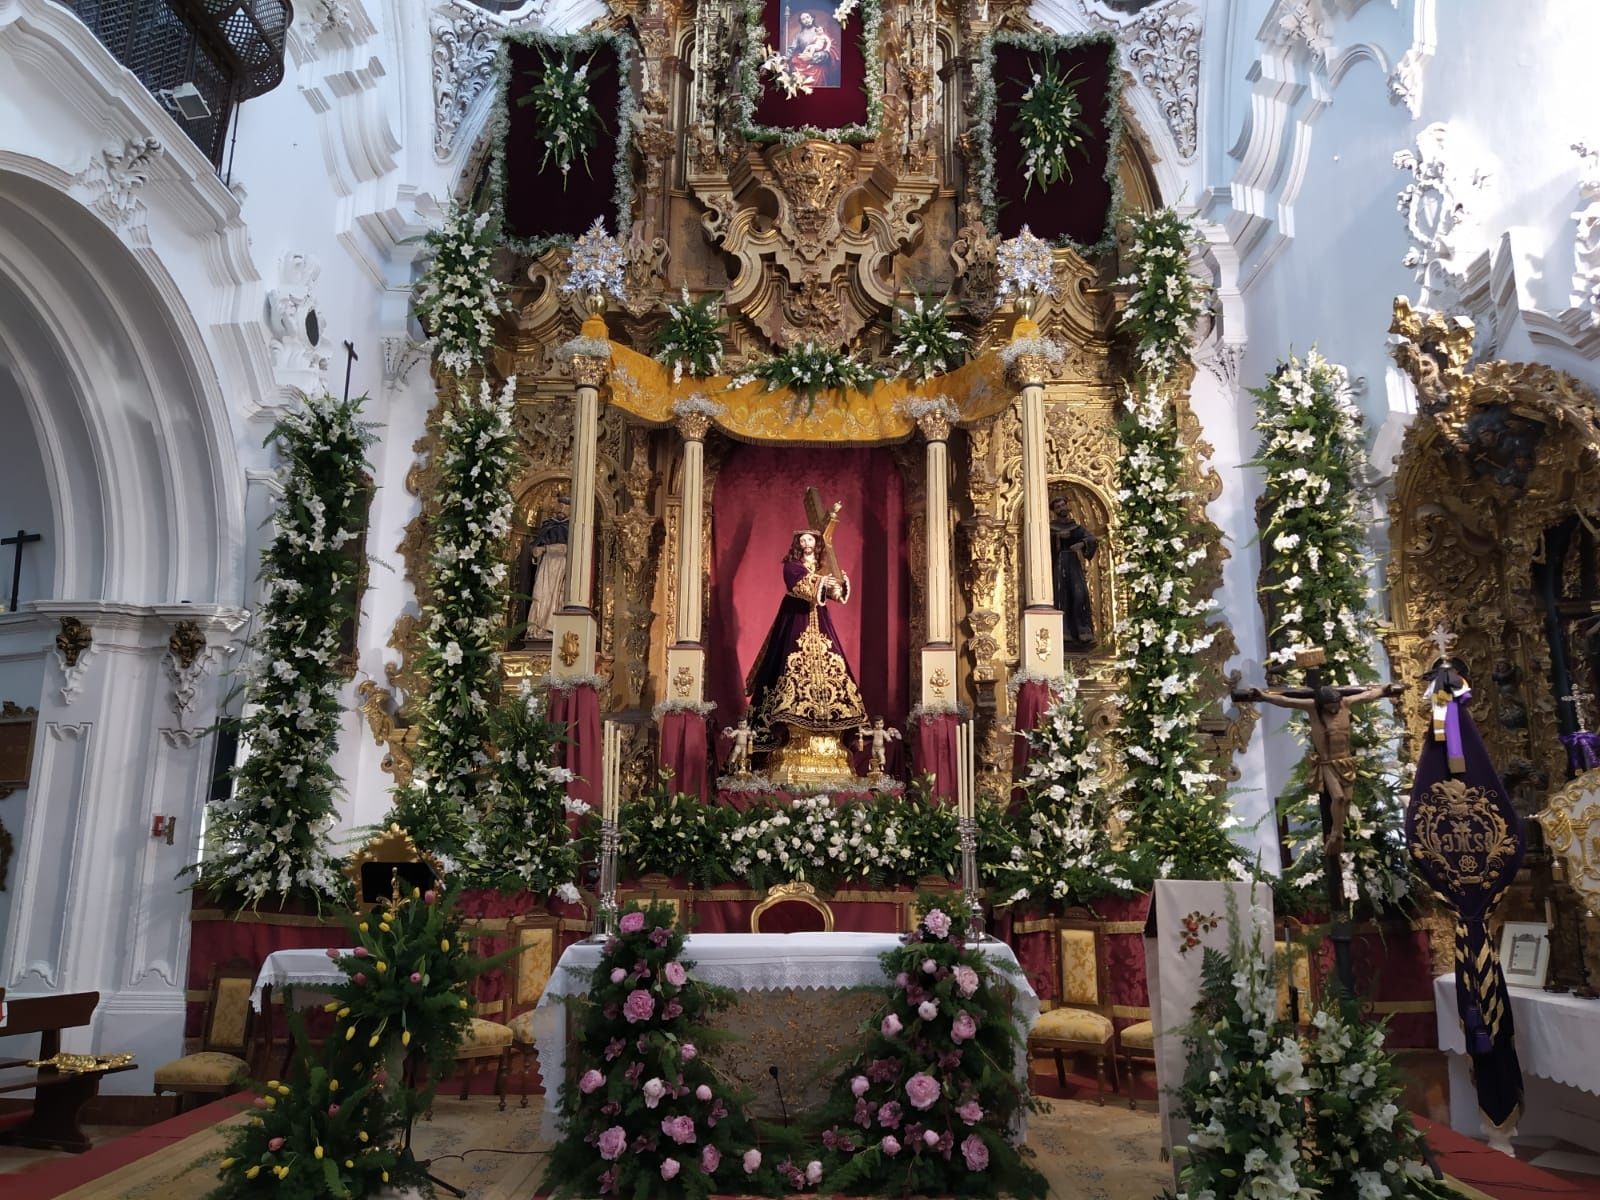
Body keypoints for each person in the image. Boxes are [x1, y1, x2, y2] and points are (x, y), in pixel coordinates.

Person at [744, 526, 867, 745]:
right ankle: (784, 726)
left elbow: (832, 593)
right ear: (797, 544)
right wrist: (821, 582)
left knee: (831, 661)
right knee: (788, 659)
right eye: (802, 540)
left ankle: (829, 725)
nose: (806, 544)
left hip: (819, 618)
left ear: (816, 543)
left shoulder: (821, 566)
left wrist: (837, 584)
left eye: (810, 540)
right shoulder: (792, 565)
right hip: (795, 616)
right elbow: (798, 585)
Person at [1049, 496, 1098, 645]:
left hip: (1073, 563)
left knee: (1079, 594)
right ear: (1054, 511)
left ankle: (1083, 629)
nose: (1061, 508)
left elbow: (1092, 539)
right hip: (1059, 563)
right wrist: (1057, 537)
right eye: (1058, 507)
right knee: (1061, 595)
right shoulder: (1051, 527)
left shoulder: (1075, 527)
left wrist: (1081, 544)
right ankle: (1064, 630)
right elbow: (1042, 544)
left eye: (1063, 505)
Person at [524, 495, 571, 642]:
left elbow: (568, 549)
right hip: (545, 565)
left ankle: (551, 627)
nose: (562, 509)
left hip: (560, 566)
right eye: (560, 505)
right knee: (539, 594)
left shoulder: (570, 527)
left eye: (566, 506)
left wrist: (545, 549)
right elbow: (537, 544)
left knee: (555, 596)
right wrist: (536, 551)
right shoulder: (548, 525)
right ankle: (535, 628)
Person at [786, 10, 841, 89]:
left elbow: (831, 48)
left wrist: (816, 56)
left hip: (818, 66)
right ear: (801, 22)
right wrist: (786, 57)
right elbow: (792, 48)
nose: (806, 20)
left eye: (807, 17)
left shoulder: (820, 31)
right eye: (803, 19)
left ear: (812, 18)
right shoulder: (799, 35)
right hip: (803, 64)